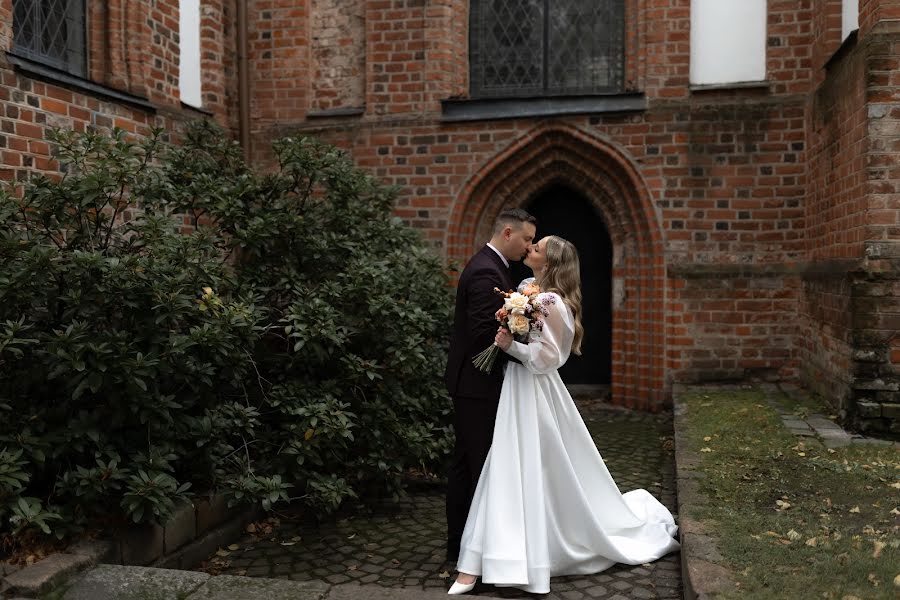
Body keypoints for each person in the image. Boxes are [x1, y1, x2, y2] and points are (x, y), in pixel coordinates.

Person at [449, 235, 679, 595]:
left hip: (534, 389)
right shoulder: (525, 288)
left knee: (530, 461)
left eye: (538, 248)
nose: (531, 249)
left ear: (551, 262)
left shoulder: (550, 302)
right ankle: (486, 558)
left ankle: (515, 557)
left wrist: (512, 349)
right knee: (507, 461)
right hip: (515, 388)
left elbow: (550, 358)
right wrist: (509, 336)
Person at [444, 208, 537, 563]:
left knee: (468, 464)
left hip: (473, 382)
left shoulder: (492, 265)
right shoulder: (486, 271)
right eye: (527, 239)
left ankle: (463, 546)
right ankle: (466, 548)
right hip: (476, 384)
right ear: (508, 232)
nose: (528, 248)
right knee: (475, 467)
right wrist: (528, 356)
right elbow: (486, 335)